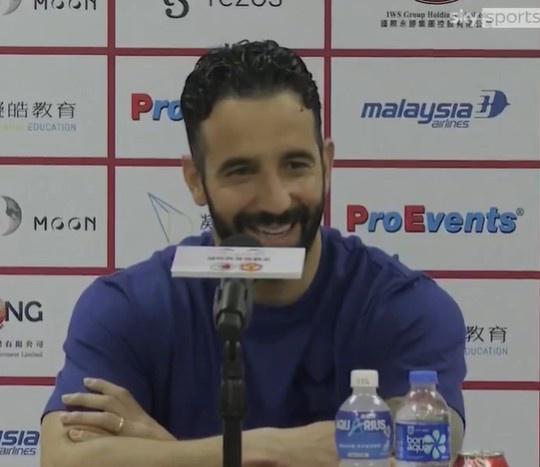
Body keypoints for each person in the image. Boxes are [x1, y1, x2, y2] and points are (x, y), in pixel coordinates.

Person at [40, 40, 466, 467]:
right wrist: (277, 450)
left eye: (296, 165)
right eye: (241, 172)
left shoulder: (404, 307)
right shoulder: (127, 308)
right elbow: (62, 459)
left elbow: (428, 450)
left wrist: (165, 451)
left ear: (327, 163)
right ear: (195, 180)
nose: (276, 201)